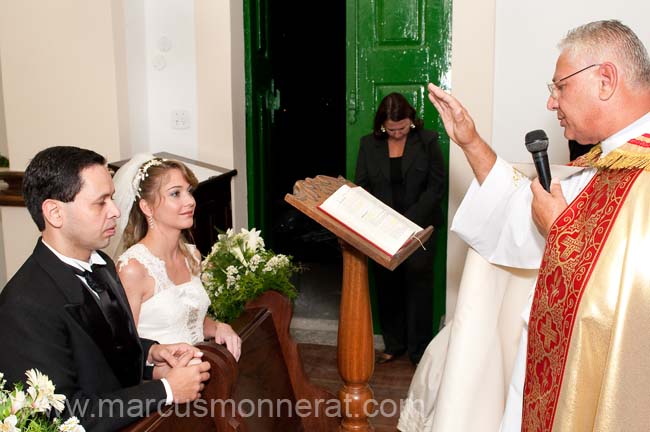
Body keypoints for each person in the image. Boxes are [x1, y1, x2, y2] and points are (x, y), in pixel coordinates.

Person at [400, 19, 650, 431]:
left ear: (605, 80)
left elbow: (631, 306)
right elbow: (518, 210)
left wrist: (561, 232)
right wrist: (470, 141)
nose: (552, 103)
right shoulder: (605, 165)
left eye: (560, 87)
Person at [0, 146, 211, 431]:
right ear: (54, 213)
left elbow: (100, 355)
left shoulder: (102, 265)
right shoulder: (25, 304)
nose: (115, 211)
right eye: (101, 203)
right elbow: (64, 417)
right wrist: (166, 390)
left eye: (112, 197)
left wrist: (151, 355)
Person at [106, 154, 242, 360]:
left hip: (203, 369)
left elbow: (189, 319)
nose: (190, 201)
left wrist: (218, 327)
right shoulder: (133, 268)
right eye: (175, 194)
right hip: (162, 382)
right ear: (147, 207)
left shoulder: (192, 256)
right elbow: (125, 351)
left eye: (189, 192)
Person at [354, 92, 446, 365]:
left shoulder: (427, 141)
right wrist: (382, 221)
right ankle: (394, 344)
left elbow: (436, 186)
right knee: (387, 285)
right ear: (381, 125)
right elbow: (362, 186)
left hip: (420, 228)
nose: (396, 133)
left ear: (411, 121)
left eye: (402, 128)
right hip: (382, 229)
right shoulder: (368, 145)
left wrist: (410, 221)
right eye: (390, 129)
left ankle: (419, 352)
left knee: (419, 286)